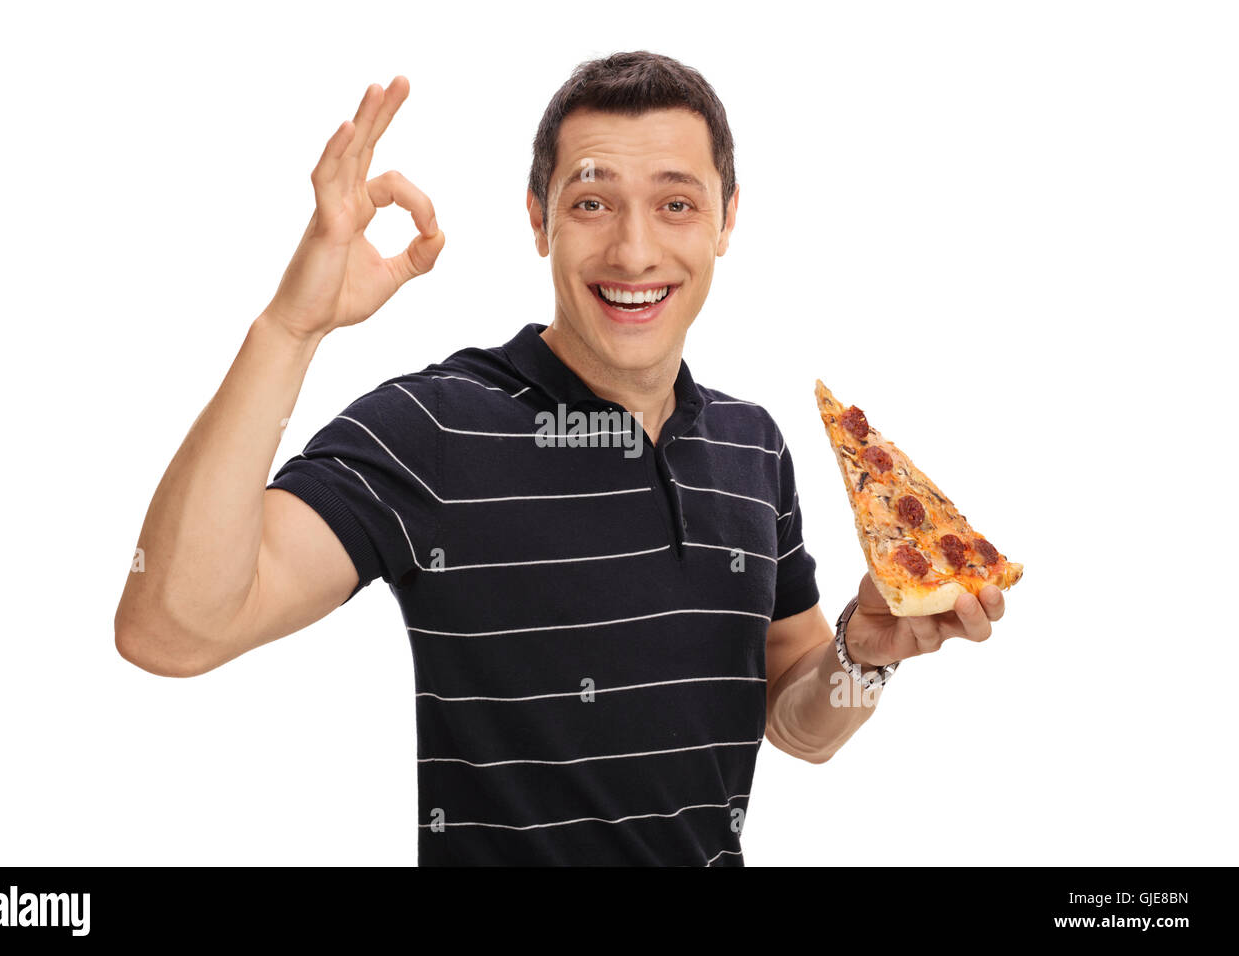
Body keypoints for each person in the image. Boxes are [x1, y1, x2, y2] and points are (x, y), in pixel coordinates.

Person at [114, 52, 1006, 866]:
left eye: (676, 202)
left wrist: (862, 655)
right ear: (539, 220)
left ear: (726, 221)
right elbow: (172, 629)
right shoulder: (436, 429)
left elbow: (799, 728)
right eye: (591, 202)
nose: (634, 250)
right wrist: (291, 327)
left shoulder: (752, 445)